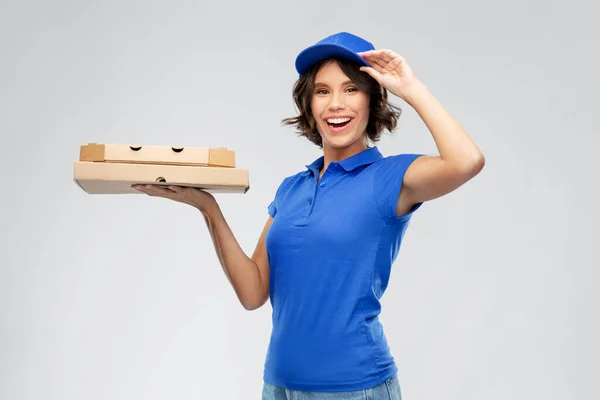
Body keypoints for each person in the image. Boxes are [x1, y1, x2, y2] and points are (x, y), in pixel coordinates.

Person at [133, 32, 485, 399]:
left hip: (353, 388)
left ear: (372, 100)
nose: (336, 104)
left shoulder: (390, 179)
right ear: (309, 104)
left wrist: (409, 87)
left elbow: (467, 161)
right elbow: (253, 292)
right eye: (322, 91)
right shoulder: (292, 188)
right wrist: (208, 208)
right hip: (280, 385)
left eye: (351, 90)